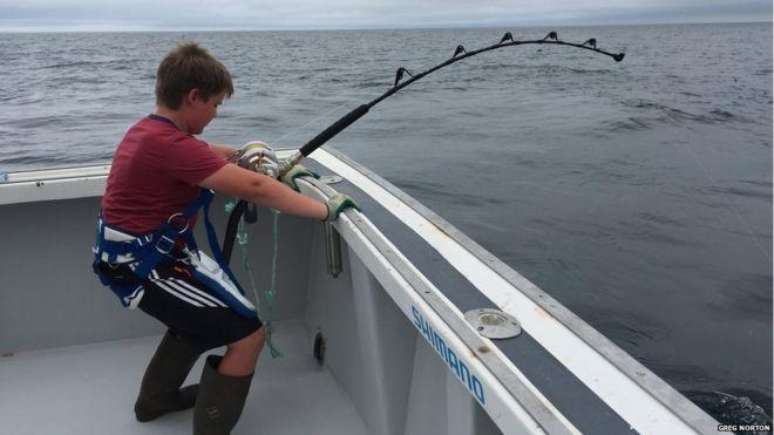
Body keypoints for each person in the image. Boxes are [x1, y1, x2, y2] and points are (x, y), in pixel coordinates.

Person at [92, 42, 357, 435]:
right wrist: (326, 210)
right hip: (147, 269)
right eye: (214, 105)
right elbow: (256, 188)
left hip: (132, 259)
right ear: (193, 97)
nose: (216, 114)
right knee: (249, 336)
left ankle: (155, 402)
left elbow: (205, 154)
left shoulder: (149, 131)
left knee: (196, 324)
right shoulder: (169, 145)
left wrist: (243, 152)